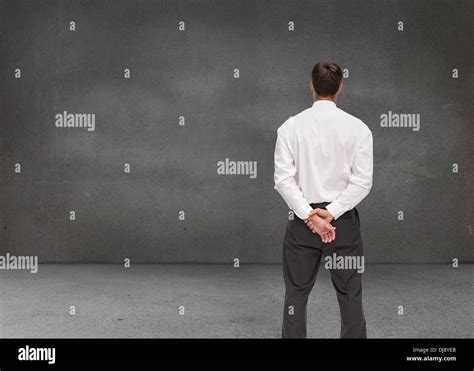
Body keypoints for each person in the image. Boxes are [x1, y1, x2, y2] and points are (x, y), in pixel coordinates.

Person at [274, 61, 373, 338]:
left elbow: (283, 180)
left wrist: (310, 215)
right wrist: (332, 213)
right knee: (350, 293)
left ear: (311, 87)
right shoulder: (359, 129)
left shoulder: (290, 128)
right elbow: (362, 182)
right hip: (343, 226)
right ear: (340, 88)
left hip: (301, 226)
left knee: (295, 294)